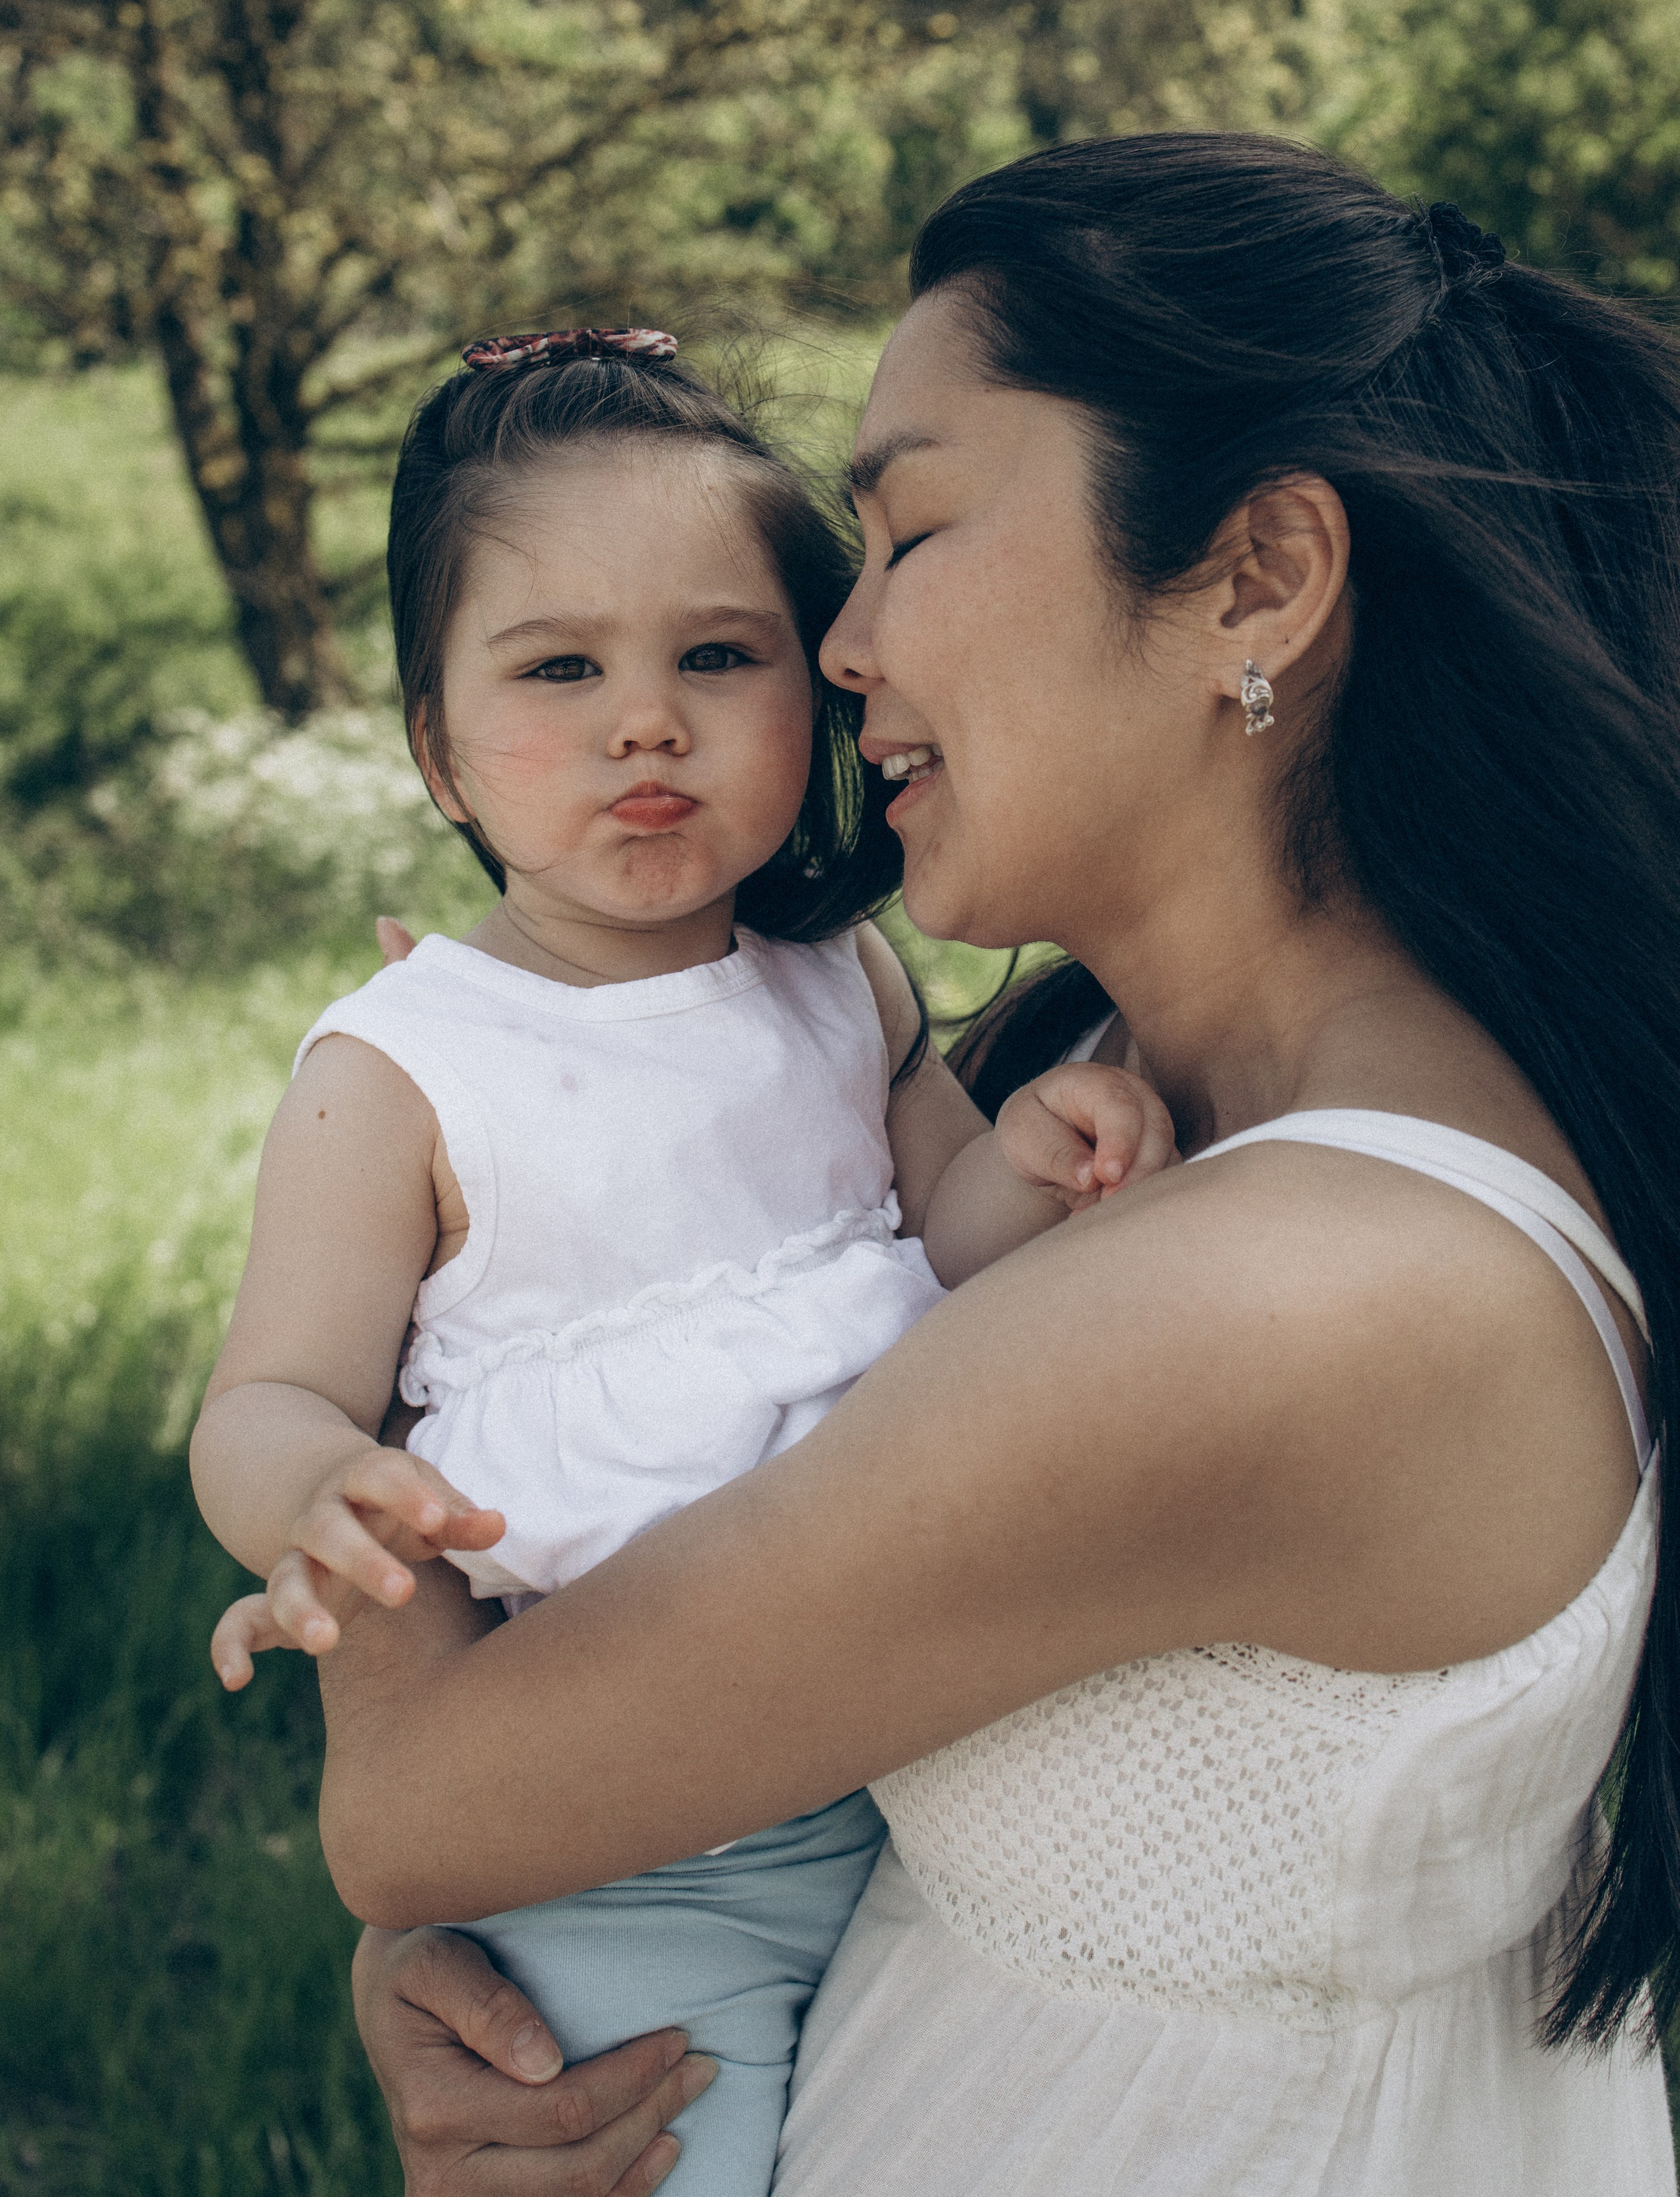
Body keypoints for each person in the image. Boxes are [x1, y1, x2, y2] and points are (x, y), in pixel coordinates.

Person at [319, 135, 1680, 2195]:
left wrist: (397, 1260)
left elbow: (416, 1797)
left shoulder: (1281, 1298)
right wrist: (556, 1973)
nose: (837, 649)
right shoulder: (1117, 1099)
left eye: (911, 532)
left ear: (1258, 580)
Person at [188, 324, 1170, 2197]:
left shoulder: (834, 981)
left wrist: (1038, 1166)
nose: (649, 723)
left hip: (901, 1761)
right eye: (561, 669)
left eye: (717, 658)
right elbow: (271, 1392)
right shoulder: (405, 1068)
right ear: (438, 750)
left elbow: (931, 1243)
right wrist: (318, 1495)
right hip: (630, 1831)